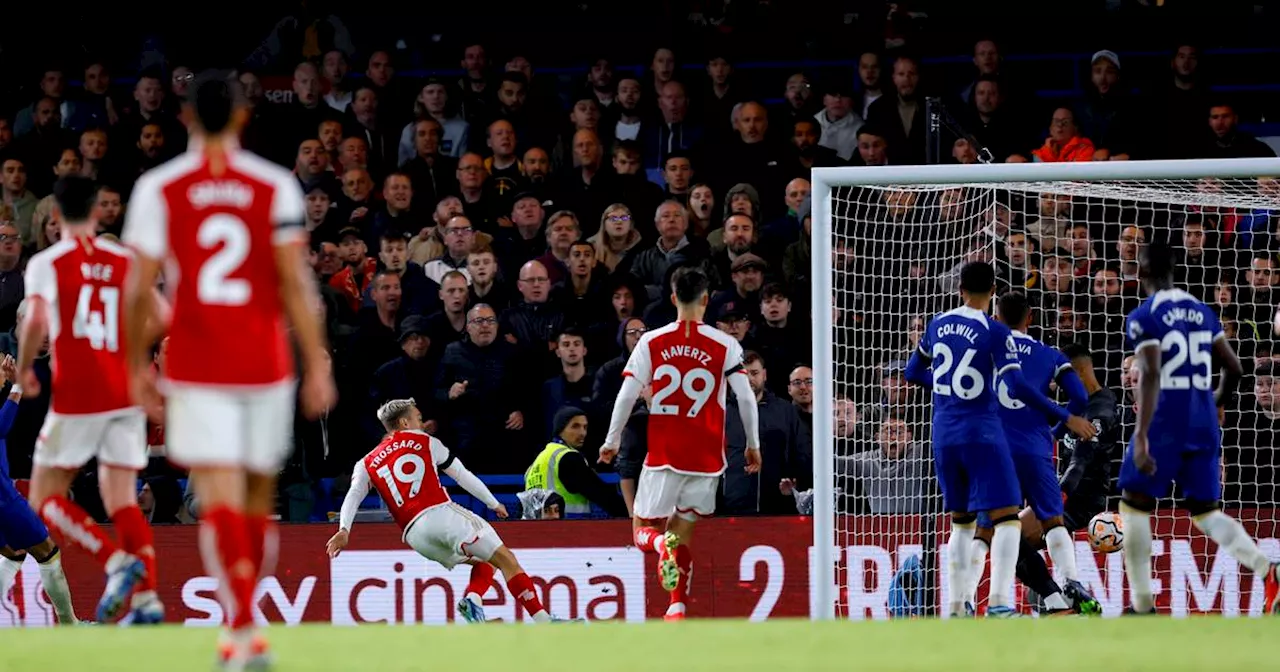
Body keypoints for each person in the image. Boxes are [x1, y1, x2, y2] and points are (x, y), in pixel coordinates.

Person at [120, 71, 335, 667]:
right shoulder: (275, 186)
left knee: (216, 499)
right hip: (263, 362)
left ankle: (239, 625)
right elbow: (296, 282)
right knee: (256, 495)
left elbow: (139, 288)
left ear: (185, 118)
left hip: (193, 363)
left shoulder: (159, 188)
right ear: (243, 118)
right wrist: (315, 360)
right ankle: (245, 626)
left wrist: (136, 362)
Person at [903, 262, 1096, 618]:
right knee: (1021, 519)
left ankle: (957, 605)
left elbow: (912, 372)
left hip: (944, 436)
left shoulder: (937, 324)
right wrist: (1063, 419)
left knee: (967, 525)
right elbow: (1027, 387)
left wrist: (950, 389)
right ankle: (1009, 601)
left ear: (959, 288)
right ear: (992, 290)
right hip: (994, 440)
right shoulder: (999, 335)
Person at [18, 176, 165, 625]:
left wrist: (24, 368)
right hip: (123, 392)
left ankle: (114, 561)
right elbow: (163, 315)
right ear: (99, 212)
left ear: (55, 216)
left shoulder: (47, 261)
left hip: (78, 394)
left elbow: (38, 318)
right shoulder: (124, 259)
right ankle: (148, 601)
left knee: (43, 495)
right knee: (122, 498)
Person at [1119, 242, 1279, 614]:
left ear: (1141, 273)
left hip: (1164, 416)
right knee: (1206, 511)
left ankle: (1143, 604)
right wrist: (1217, 402)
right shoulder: (1202, 311)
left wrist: (1141, 434)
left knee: (1134, 505)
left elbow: (1152, 371)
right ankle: (1267, 569)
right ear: (1175, 270)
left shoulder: (1144, 315)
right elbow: (1236, 369)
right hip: (1202, 415)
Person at [599, 267, 761, 621]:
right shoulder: (726, 345)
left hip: (664, 456)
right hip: (706, 461)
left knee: (644, 528)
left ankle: (659, 546)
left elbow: (626, 396)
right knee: (682, 533)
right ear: (706, 300)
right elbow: (746, 399)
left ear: (673, 298)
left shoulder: (651, 341)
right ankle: (676, 605)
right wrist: (753, 445)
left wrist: (611, 441)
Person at [326, 398, 563, 624]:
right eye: (418, 418)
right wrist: (493, 503)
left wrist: (343, 529)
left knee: (486, 561)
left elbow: (354, 494)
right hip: (440, 514)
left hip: (415, 537)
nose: (423, 423)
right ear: (404, 423)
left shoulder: (366, 462)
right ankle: (544, 620)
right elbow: (462, 475)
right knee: (507, 559)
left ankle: (473, 600)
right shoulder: (426, 441)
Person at [964, 291, 1099, 616]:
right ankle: (1069, 581)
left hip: (992, 450)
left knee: (985, 530)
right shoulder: (1049, 354)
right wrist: (1052, 432)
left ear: (996, 319)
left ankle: (967, 600)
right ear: (1031, 319)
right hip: (1035, 449)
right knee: (1053, 522)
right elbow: (1080, 398)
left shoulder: (983, 353)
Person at [0, 355, 80, 624]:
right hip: (4, 500)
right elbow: (1, 427)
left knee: (13, 554)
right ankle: (70, 624)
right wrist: (17, 387)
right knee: (48, 552)